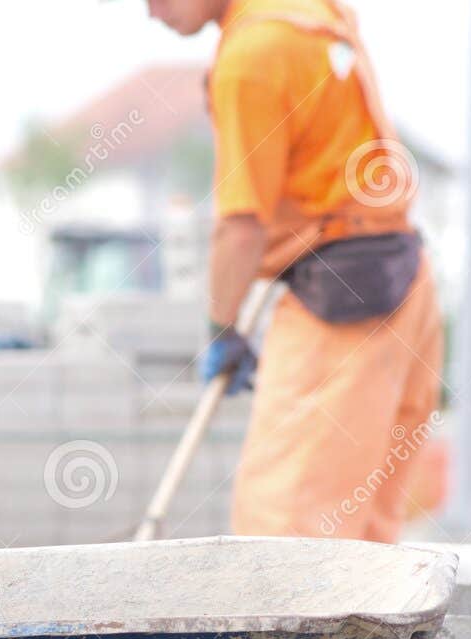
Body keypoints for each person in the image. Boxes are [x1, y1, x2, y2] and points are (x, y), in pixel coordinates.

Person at [148, 0, 446, 541]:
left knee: (284, 528)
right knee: (366, 527)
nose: (151, 12)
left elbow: (240, 226)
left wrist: (222, 328)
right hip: (403, 280)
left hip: (342, 300)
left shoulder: (252, 56)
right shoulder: (315, 12)